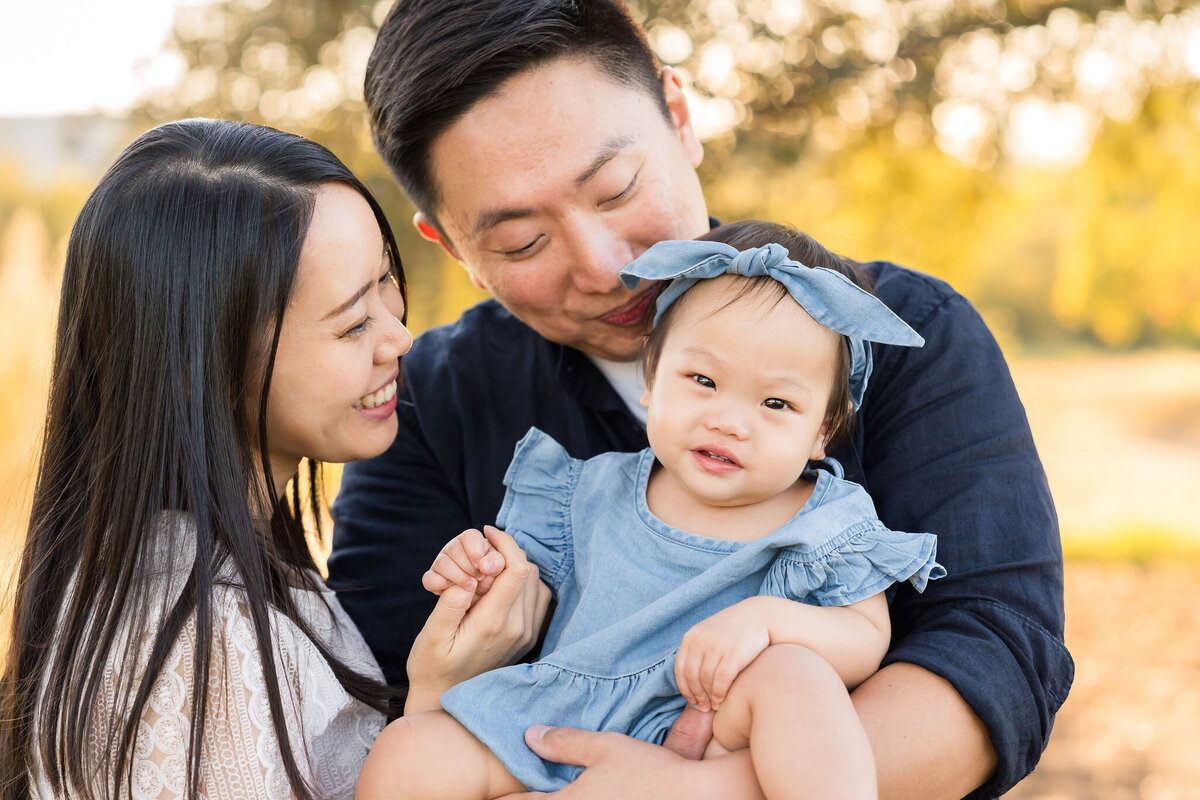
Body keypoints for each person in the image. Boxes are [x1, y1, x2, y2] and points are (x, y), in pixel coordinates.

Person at [332, 1, 1073, 798]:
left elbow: (995, 654)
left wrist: (704, 792)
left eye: (615, 189)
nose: (606, 266)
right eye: (523, 242)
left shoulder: (902, 335)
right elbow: (377, 700)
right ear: (451, 245)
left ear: (679, 117)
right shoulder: (432, 403)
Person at [0, 118, 548, 800]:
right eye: (352, 323)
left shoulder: (204, 579)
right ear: (210, 368)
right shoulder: (196, 648)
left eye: (386, 278)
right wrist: (437, 703)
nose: (400, 337)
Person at [354, 222, 945, 800]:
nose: (729, 420)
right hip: (556, 722)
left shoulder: (828, 524)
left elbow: (867, 637)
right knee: (409, 750)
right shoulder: (586, 490)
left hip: (710, 727)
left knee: (796, 676)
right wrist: (480, 570)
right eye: (703, 379)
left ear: (824, 431)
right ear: (651, 380)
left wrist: (767, 622)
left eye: (775, 402)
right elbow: (521, 592)